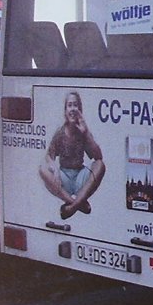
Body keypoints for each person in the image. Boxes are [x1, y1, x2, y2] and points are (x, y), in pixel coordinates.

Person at [39, 91, 106, 219]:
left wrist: (86, 133)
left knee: (100, 165)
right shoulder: (60, 133)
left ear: (80, 110)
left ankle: (72, 206)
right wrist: (55, 170)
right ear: (65, 110)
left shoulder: (83, 131)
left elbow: (98, 156)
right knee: (42, 168)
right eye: (70, 105)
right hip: (64, 178)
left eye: (76, 105)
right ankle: (75, 202)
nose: (73, 109)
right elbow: (49, 156)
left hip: (80, 177)